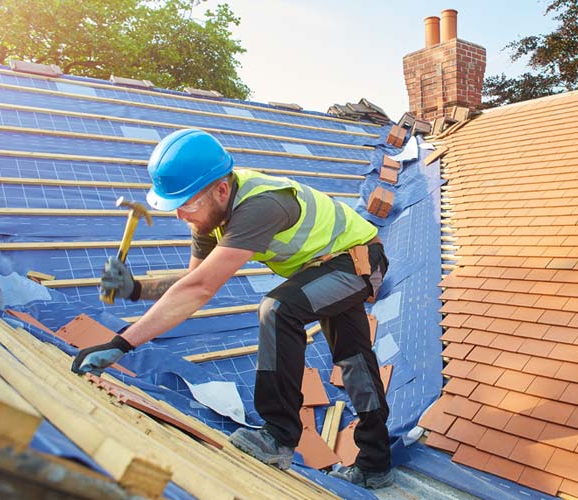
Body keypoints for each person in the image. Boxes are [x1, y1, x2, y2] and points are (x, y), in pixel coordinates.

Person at [71, 129, 394, 489]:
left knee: (278, 309)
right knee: (354, 360)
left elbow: (199, 290)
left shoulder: (260, 206)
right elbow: (193, 281)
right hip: (324, 267)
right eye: (174, 205)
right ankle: (375, 464)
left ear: (221, 190)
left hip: (360, 260)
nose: (180, 214)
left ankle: (278, 436)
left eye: (186, 203)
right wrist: (135, 290)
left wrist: (121, 344)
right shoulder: (208, 216)